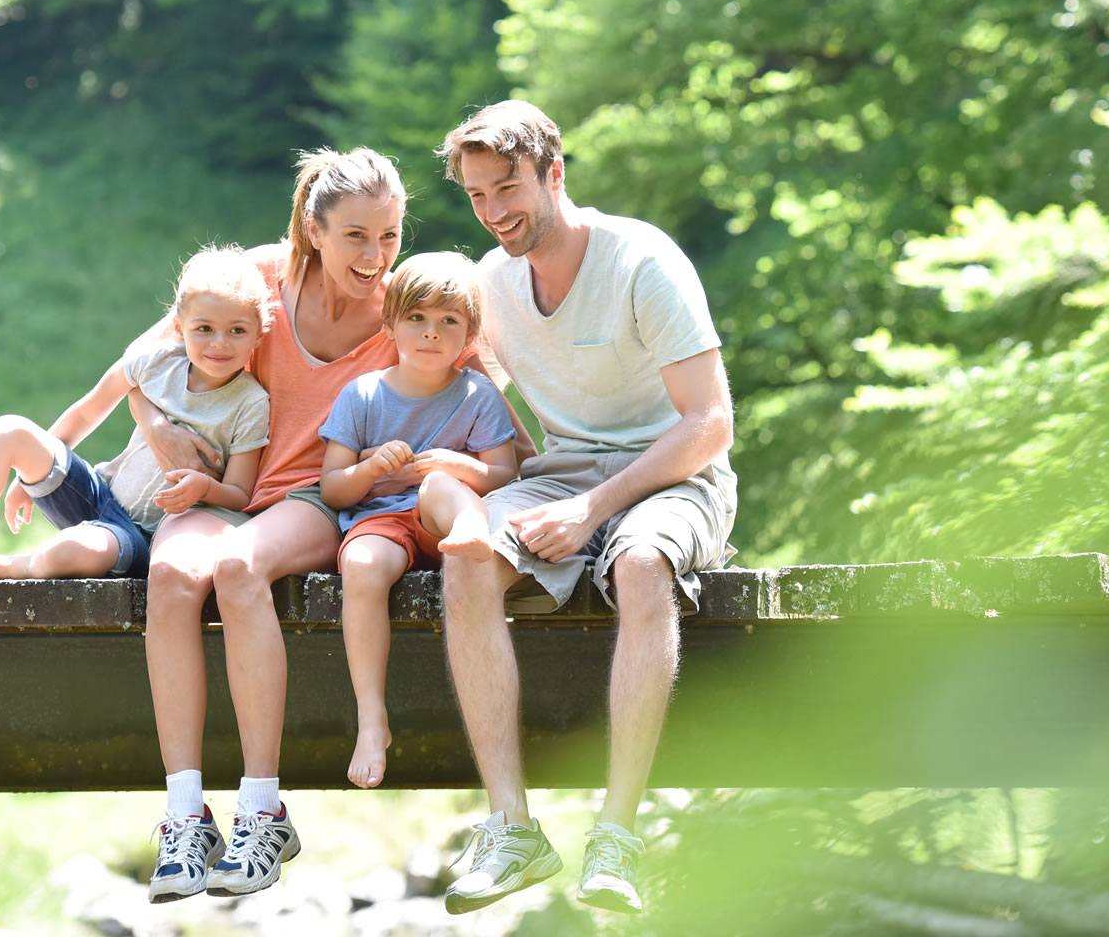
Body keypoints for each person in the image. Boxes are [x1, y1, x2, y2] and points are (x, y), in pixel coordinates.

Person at [128, 149, 524, 904]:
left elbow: (497, 423)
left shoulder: (412, 307)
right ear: (314, 230)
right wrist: (154, 439)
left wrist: (545, 497)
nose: (376, 258)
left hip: (315, 500)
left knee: (239, 568)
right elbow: (140, 367)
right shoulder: (260, 278)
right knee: (173, 575)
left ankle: (262, 809)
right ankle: (184, 816)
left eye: (390, 236)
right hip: (222, 488)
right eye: (355, 237)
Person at [434, 100, 737, 915]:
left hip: (677, 476)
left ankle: (617, 835)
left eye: (509, 188)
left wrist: (594, 509)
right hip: (561, 475)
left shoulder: (643, 262)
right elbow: (445, 371)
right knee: (464, 558)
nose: (494, 212)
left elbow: (710, 424)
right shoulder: (491, 285)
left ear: (554, 174)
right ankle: (511, 830)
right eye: (476, 196)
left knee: (640, 566)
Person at [0, 245, 271, 586]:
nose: (219, 343)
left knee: (74, 551)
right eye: (204, 328)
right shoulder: (155, 362)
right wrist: (35, 470)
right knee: (9, 431)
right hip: (99, 495)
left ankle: (6, 566)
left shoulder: (250, 403)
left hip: (144, 538)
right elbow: (87, 411)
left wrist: (204, 488)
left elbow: (239, 495)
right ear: (179, 326)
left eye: (237, 331)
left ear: (259, 332)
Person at [318, 251, 520, 790]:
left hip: (446, 519)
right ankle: (371, 717)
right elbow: (332, 487)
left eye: (448, 322)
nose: (432, 333)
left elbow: (505, 474)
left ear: (469, 334)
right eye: (417, 319)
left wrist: (461, 465)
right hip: (382, 522)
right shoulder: (363, 395)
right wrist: (367, 468)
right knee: (360, 565)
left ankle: (474, 529)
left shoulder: (478, 395)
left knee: (436, 483)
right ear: (391, 323)